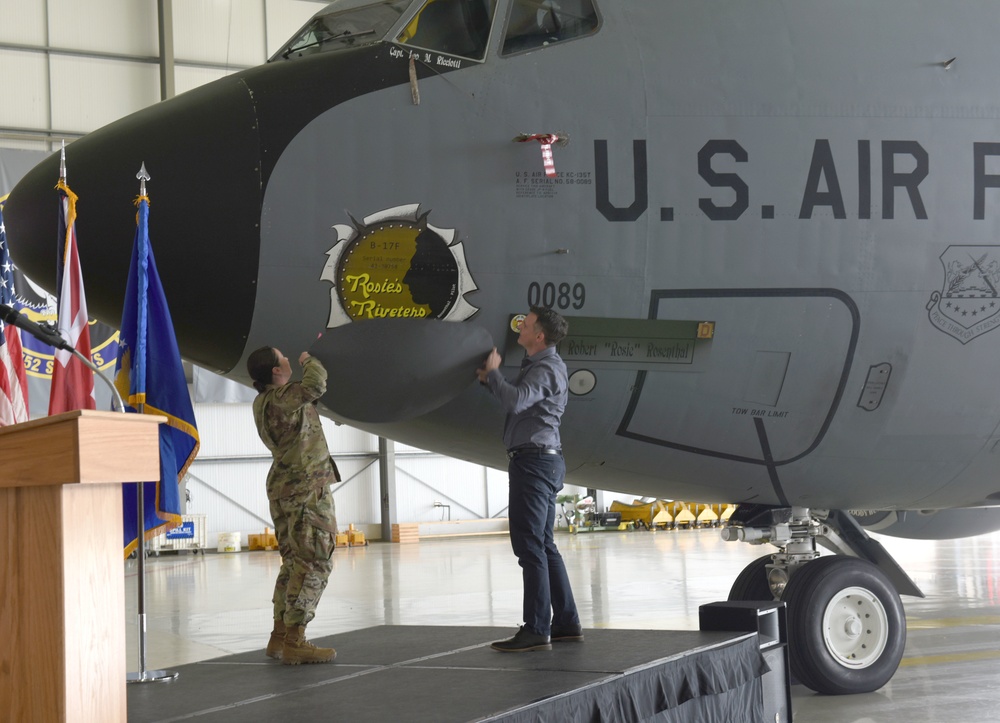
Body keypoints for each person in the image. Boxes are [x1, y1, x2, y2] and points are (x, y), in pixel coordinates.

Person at [476, 307, 583, 652]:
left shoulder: (547, 368)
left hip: (534, 463)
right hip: (541, 461)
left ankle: (537, 627)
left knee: (530, 546)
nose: (520, 324)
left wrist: (494, 374)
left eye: (527, 322)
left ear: (539, 336)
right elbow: (520, 401)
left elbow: (518, 400)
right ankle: (566, 623)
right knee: (544, 544)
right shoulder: (540, 367)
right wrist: (492, 380)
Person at [247, 346, 339, 665]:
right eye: (283, 357)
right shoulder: (281, 397)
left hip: (286, 486)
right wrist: (309, 360)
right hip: (305, 488)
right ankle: (296, 639)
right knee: (315, 559)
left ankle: (280, 635)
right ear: (276, 371)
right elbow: (315, 384)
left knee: (293, 561)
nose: (288, 360)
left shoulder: (263, 402)